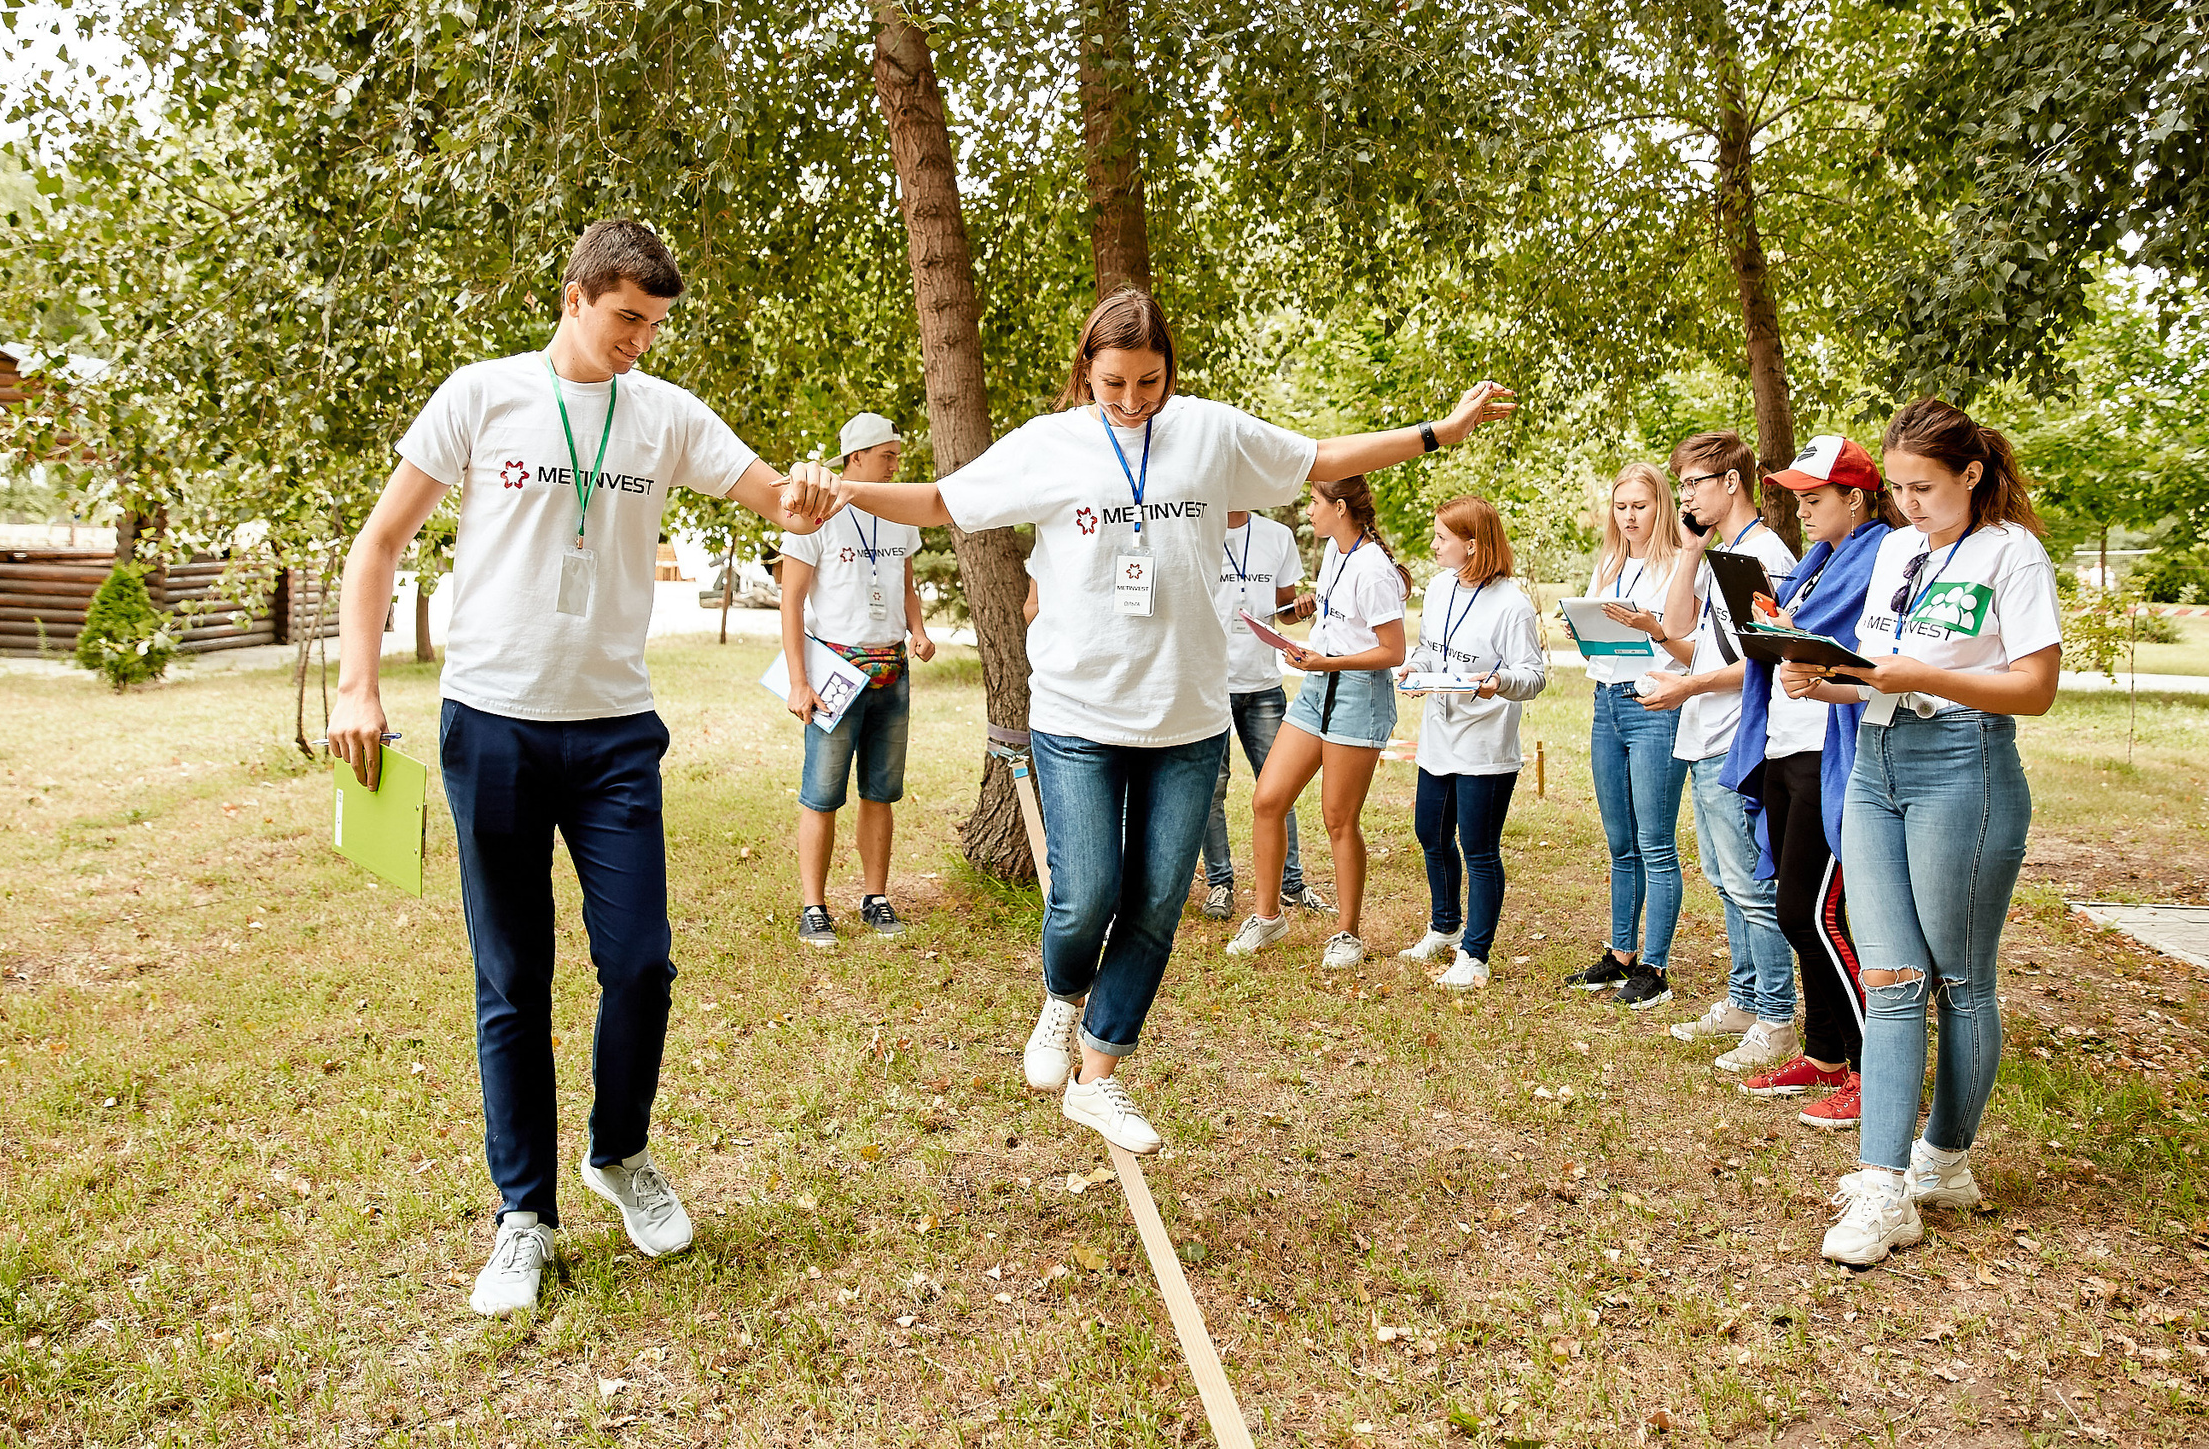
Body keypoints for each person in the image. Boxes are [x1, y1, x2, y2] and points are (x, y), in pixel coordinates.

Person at [780, 286, 1513, 1154]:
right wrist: (845, 500)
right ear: (1086, 373)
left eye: (1149, 382)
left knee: (1158, 901)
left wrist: (1439, 433)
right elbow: (943, 501)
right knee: (1087, 894)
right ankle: (1060, 998)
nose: (1132, 402)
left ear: (1171, 369)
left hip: (1188, 717)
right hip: (1079, 713)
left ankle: (1101, 1071)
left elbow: (1321, 454)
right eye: (1114, 384)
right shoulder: (1052, 445)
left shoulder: (1207, 432)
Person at [325, 219, 822, 1316]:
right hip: (491, 722)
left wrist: (808, 500)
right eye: (625, 319)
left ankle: (620, 1152)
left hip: (612, 733)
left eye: (653, 324)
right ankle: (523, 1218)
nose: (639, 342)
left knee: (639, 963)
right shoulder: (481, 395)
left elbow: (770, 493)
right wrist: (359, 685)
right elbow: (380, 543)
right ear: (574, 298)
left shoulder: (665, 416)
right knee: (513, 981)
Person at [1801, 399, 2062, 1267]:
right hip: (1877, 758)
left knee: (1960, 976)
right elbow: (1883, 668)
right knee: (1892, 973)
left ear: (1972, 474)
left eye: (1924, 486)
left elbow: (2033, 687)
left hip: (1966, 763)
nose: (1907, 504)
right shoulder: (1900, 552)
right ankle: (1882, 1187)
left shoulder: (2011, 553)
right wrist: (1824, 678)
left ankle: (1944, 1160)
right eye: (1899, 487)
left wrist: (1929, 676)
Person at [1714, 436, 1896, 1129]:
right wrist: (1767, 622)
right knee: (1799, 910)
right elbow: (1785, 635)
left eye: (1815, 498)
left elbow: (1844, 647)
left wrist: (1783, 627)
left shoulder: (1878, 552)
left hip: (1833, 753)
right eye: (1798, 497)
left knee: (1812, 913)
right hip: (1788, 747)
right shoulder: (1817, 560)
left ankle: (1877, 1064)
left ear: (1856, 499)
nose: (1803, 509)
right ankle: (1824, 1053)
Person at [1646, 432, 1798, 1063]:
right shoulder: (1719, 552)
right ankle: (1744, 998)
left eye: (1692, 484)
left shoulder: (1768, 558)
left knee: (1750, 883)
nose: (1683, 495)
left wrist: (1691, 685)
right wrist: (1688, 552)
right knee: (1723, 878)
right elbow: (1677, 626)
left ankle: (1777, 1017)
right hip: (1705, 734)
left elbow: (1770, 660)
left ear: (1730, 484)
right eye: (1679, 484)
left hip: (1740, 736)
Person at [1225, 477, 1413, 971]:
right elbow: (1337, 627)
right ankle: (1267, 917)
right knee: (1267, 799)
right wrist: (1306, 635)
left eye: (1314, 502)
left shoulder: (1372, 568)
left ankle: (1347, 933)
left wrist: (1325, 662)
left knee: (1338, 819)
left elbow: (1393, 651)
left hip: (1356, 695)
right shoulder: (1334, 551)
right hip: (1316, 690)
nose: (1307, 510)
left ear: (1340, 506)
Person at [779, 412, 937, 948]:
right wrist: (799, 683)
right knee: (821, 793)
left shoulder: (899, 514)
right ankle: (814, 905)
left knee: (881, 791)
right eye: (888, 456)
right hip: (835, 672)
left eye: (897, 455)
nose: (896, 464)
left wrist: (917, 630)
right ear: (856, 459)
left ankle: (875, 896)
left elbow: (906, 585)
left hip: (892, 670)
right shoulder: (814, 515)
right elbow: (791, 602)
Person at [1394, 497, 1547, 989]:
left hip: (1485, 745)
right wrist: (1415, 670)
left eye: (1442, 537)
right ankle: (1444, 926)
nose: (1433, 544)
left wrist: (1497, 681)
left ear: (1473, 545)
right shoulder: (1439, 588)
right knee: (1431, 834)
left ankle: (1475, 955)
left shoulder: (1512, 604)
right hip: (1438, 737)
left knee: (1478, 847)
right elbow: (1426, 649)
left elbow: (1534, 675)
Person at [1561, 462, 1688, 1009]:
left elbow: (1686, 638)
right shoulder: (1610, 562)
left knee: (1655, 842)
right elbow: (1601, 634)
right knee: (1620, 842)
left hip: (1655, 704)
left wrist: (1649, 626)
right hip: (1606, 701)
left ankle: (1655, 966)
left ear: (1661, 506)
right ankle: (1621, 955)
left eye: (1640, 505)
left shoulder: (1680, 564)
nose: (1629, 516)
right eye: (1621, 506)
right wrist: (1581, 628)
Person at [1199, 509, 1307, 919]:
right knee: (1213, 790)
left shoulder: (1277, 535)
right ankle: (1220, 884)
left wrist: (1300, 609)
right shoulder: (1199, 529)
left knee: (1279, 787)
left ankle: (1291, 884)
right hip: (1211, 686)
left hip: (1263, 684)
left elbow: (1284, 610)